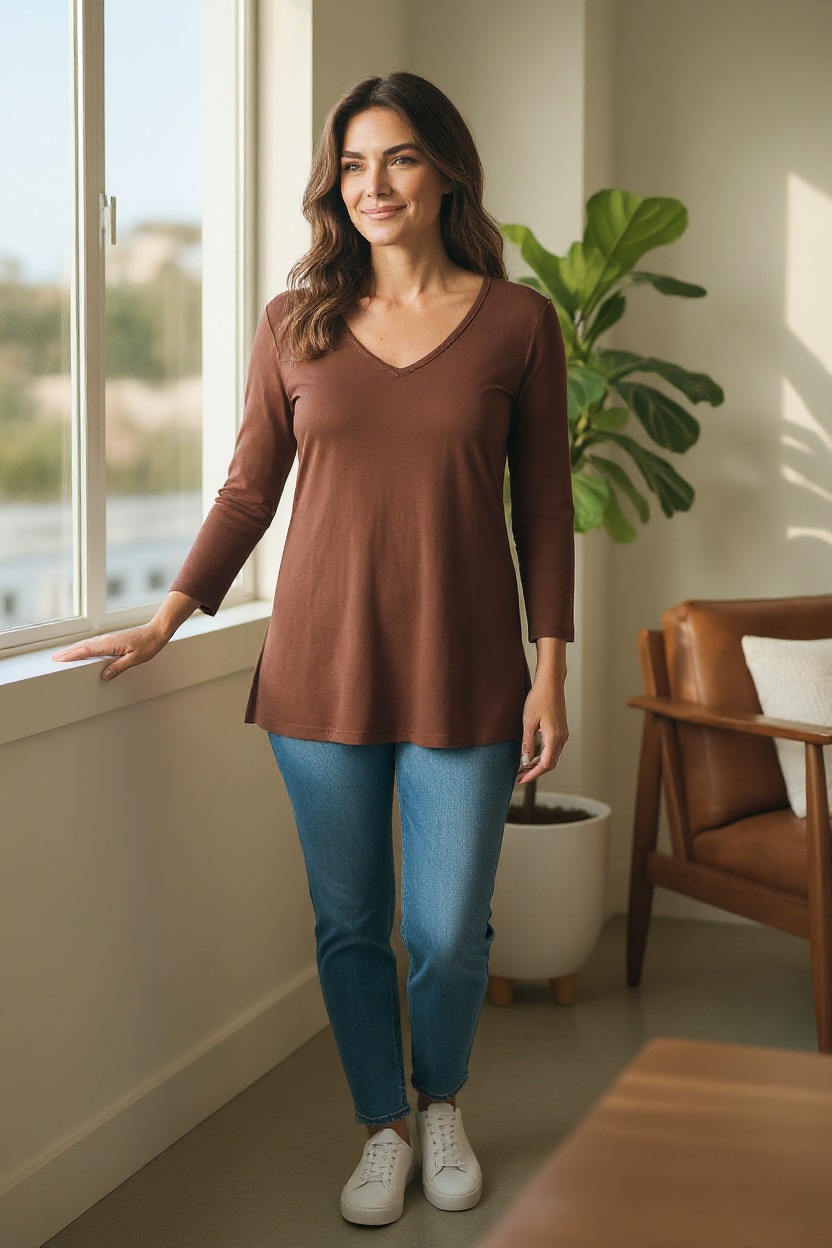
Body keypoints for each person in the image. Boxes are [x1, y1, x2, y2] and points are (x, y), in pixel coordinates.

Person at [53, 71, 574, 1228]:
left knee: (445, 929)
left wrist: (554, 669)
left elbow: (544, 507)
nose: (372, 184)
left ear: (444, 169)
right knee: (348, 924)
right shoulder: (297, 321)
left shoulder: (517, 323)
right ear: (333, 185)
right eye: (351, 164)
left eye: (396, 158)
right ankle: (380, 1126)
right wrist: (166, 613)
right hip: (317, 671)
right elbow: (249, 490)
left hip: (469, 669)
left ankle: (443, 1103)